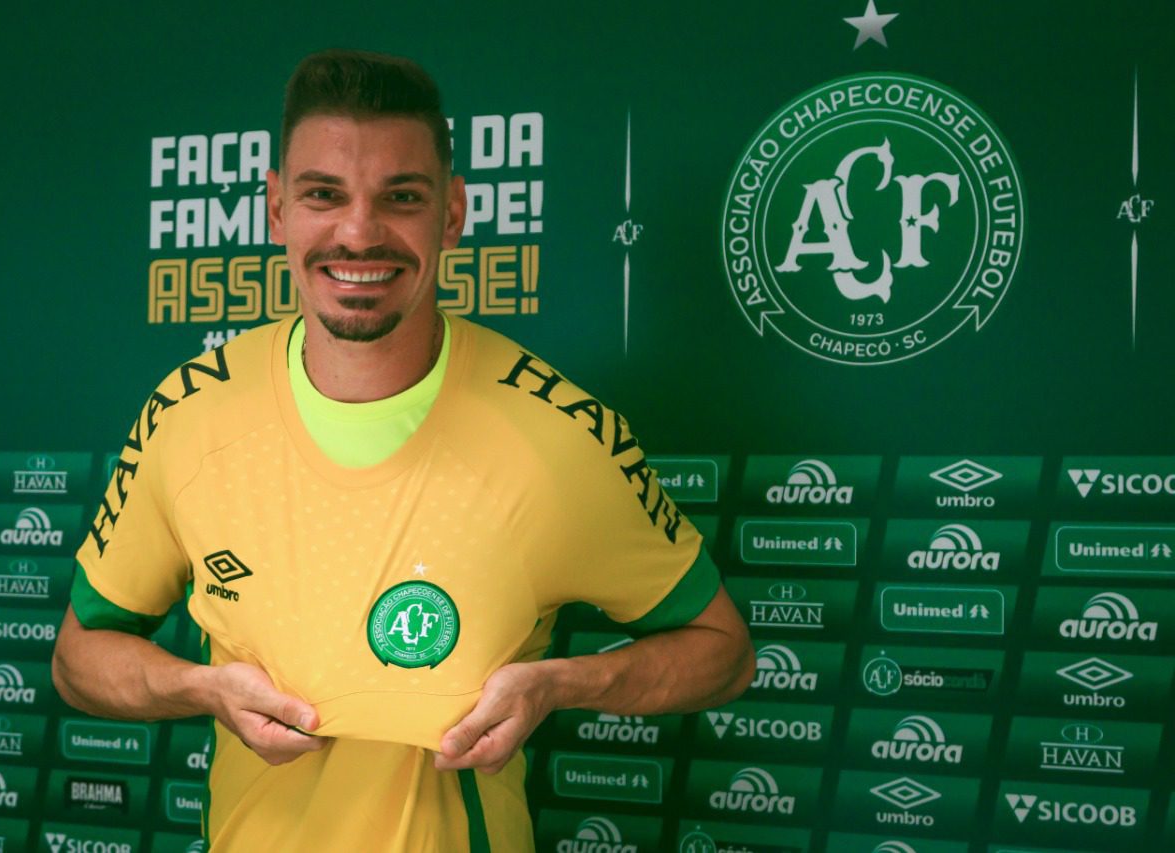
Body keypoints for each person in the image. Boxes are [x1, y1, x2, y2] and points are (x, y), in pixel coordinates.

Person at [52, 48, 753, 852]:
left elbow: (724, 652)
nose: (359, 232)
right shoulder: (188, 413)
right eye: (324, 194)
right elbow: (78, 656)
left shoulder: (560, 434)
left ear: (451, 213)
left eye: (402, 197)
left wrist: (561, 682)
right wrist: (200, 687)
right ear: (276, 210)